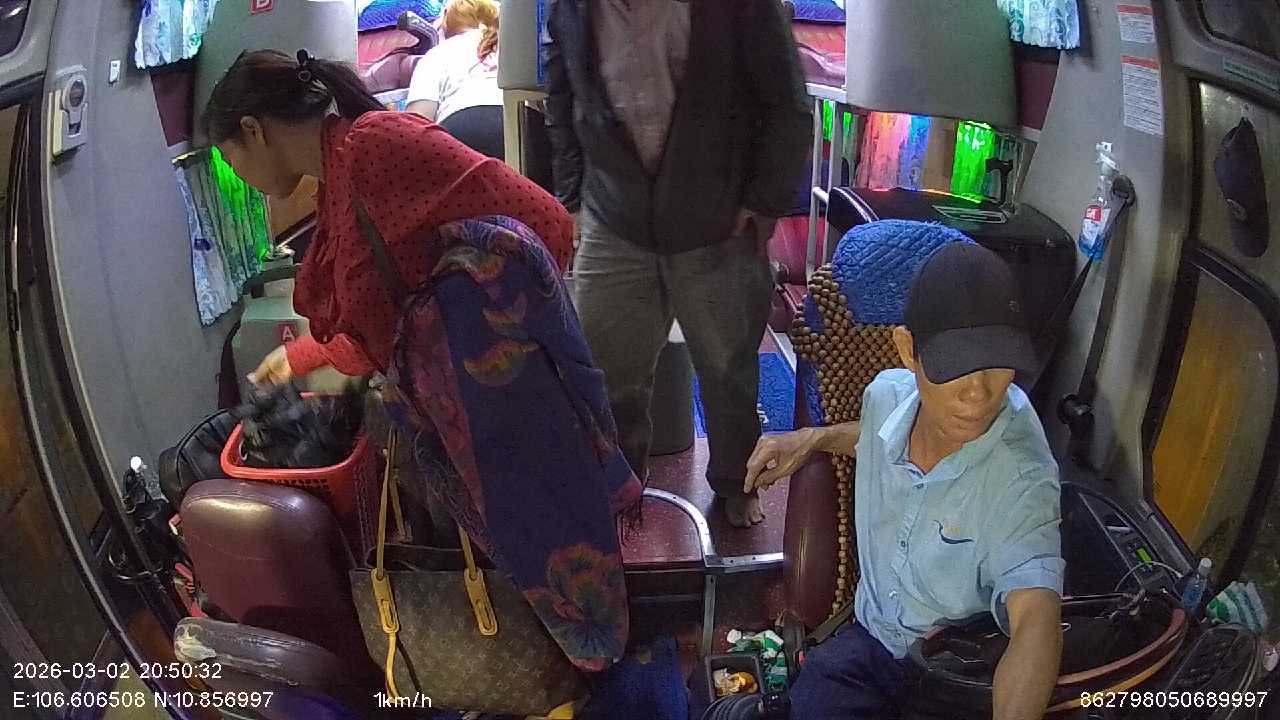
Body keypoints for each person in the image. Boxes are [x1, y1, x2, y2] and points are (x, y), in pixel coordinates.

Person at [204, 49, 641, 671]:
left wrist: (497, 326)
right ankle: (567, 670)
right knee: (524, 556)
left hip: (506, 403)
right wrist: (300, 357)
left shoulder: (378, 145)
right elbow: (384, 314)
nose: (238, 174)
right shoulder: (338, 180)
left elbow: (544, 221)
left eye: (230, 159)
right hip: (461, 416)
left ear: (253, 130)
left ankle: (607, 674)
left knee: (557, 548)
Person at [745, 243, 1065, 719]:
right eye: (956, 363)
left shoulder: (1023, 474)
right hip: (869, 642)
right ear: (908, 350)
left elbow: (1037, 617)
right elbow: (873, 435)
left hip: (953, 666)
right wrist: (814, 438)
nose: (978, 392)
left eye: (998, 363)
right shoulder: (886, 396)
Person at [544, 0, 812, 528]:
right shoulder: (569, 6)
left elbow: (788, 102)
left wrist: (763, 201)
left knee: (728, 373)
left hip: (718, 220)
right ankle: (618, 491)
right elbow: (562, 96)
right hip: (613, 215)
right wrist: (570, 197)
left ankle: (736, 481)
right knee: (604, 375)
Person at [405, 0, 504, 158]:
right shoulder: (509, 44)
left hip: (459, 132)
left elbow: (416, 123)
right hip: (518, 124)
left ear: (446, 25)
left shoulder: (437, 54)